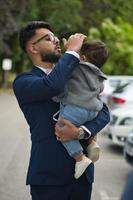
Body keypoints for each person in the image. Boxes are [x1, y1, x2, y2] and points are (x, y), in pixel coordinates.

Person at [13, 20, 110, 200]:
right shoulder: (24, 81)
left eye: (55, 36)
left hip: (82, 176)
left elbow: (104, 112)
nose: (56, 40)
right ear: (33, 48)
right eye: (49, 38)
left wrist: (81, 132)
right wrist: (72, 52)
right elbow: (53, 86)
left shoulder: (75, 72)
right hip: (48, 177)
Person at [54, 41, 108, 179]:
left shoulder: (76, 68)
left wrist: (56, 96)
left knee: (62, 127)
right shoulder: (99, 74)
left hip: (77, 107)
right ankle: (92, 142)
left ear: (82, 58)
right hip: (94, 110)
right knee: (82, 122)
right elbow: (100, 90)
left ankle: (80, 158)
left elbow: (64, 82)